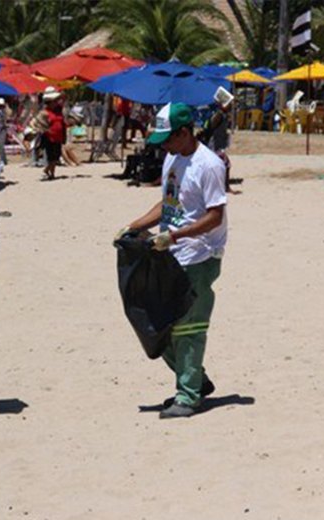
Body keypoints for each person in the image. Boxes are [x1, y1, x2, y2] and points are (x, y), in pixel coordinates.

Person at [119, 102, 227, 419]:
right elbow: (168, 204)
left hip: (200, 254)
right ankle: (194, 380)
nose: (163, 145)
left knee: (188, 327)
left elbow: (215, 217)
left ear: (183, 132)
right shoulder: (172, 159)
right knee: (156, 324)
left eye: (168, 138)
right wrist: (135, 225)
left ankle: (189, 396)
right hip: (170, 253)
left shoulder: (208, 165)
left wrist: (176, 236)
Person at [42, 87, 66, 180]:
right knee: (51, 157)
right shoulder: (45, 112)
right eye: (54, 101)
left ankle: (48, 170)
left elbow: (64, 97)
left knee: (57, 156)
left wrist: (59, 89)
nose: (56, 103)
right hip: (49, 137)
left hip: (59, 136)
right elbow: (41, 125)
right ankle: (51, 173)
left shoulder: (58, 110)